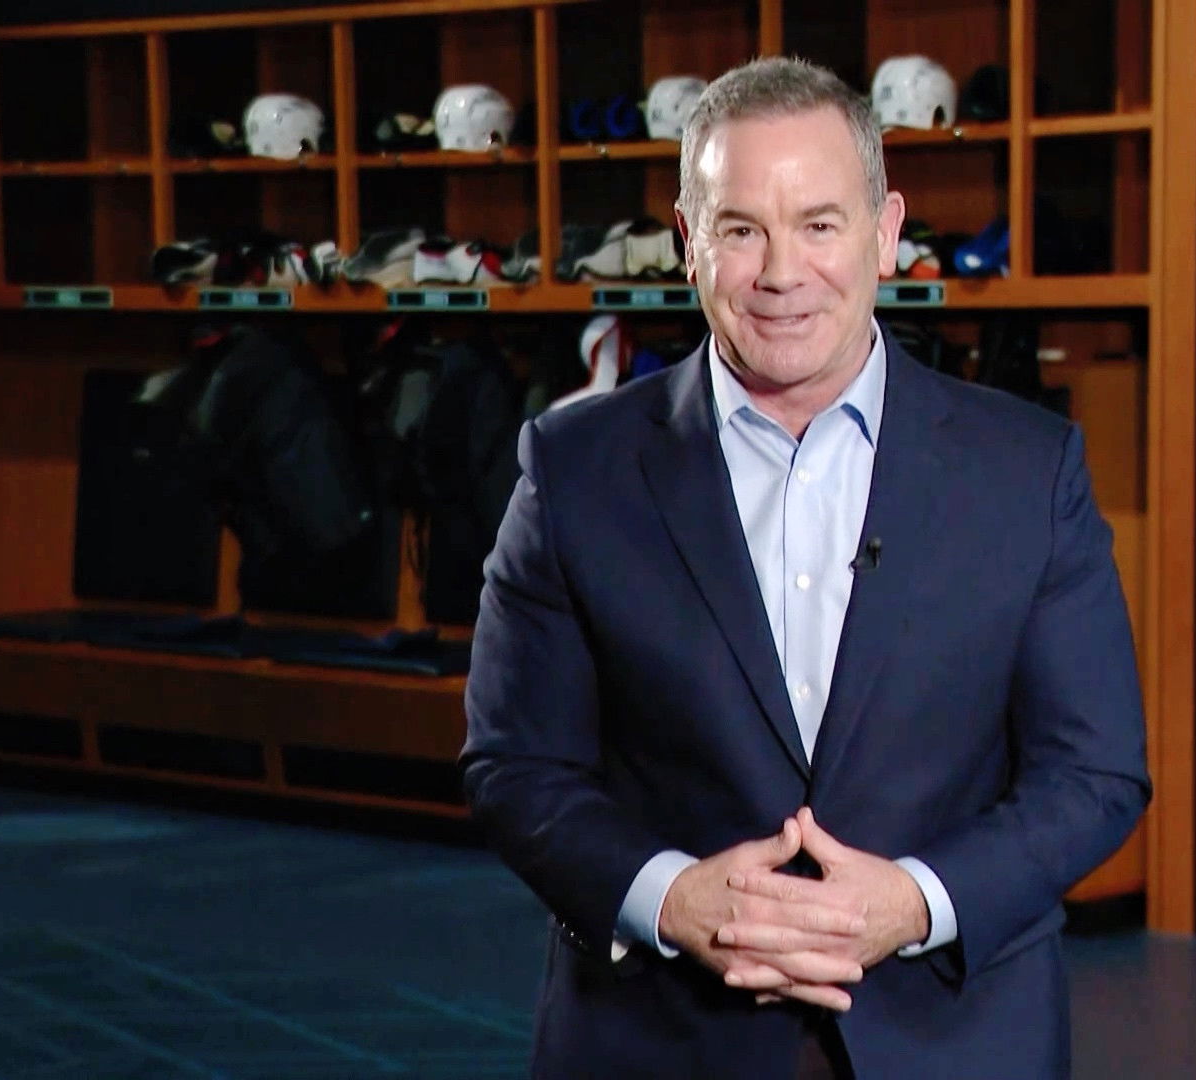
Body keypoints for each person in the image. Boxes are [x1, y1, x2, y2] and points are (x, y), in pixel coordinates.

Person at [462, 56, 1149, 1080]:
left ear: (886, 230)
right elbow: (514, 767)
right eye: (741, 229)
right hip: (662, 1039)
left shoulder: (1026, 469)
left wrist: (914, 902)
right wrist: (671, 898)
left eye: (820, 224)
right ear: (688, 243)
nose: (782, 273)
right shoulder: (573, 470)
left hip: (951, 1037)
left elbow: (1095, 773)